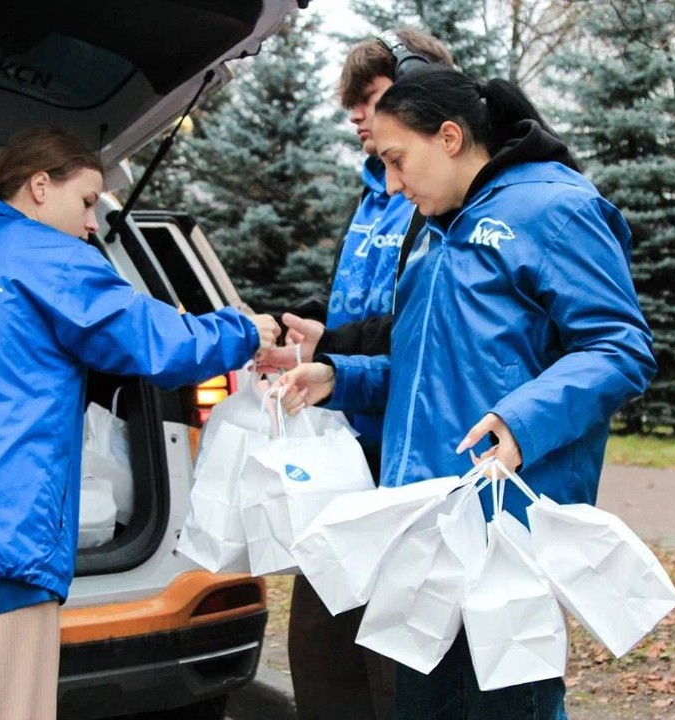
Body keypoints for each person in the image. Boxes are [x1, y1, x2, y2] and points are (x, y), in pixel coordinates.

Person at [0, 125, 279, 720]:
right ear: (41, 187)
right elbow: (157, 343)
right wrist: (247, 331)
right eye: (86, 201)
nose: (93, 222)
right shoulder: (50, 259)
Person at [275, 67, 658, 719]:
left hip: (501, 534)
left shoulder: (555, 207)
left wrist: (521, 419)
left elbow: (620, 347)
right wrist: (341, 377)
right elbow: (424, 371)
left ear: (449, 137)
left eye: (397, 160)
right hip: (421, 530)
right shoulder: (434, 236)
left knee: (508, 707)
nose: (393, 184)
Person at [263, 29, 454, 720]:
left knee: (389, 655)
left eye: (374, 102)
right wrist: (313, 323)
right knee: (320, 642)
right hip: (344, 443)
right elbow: (361, 297)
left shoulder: (436, 195)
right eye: (356, 113)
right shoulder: (376, 191)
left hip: (403, 453)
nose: (364, 124)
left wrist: (333, 348)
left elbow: (413, 328)